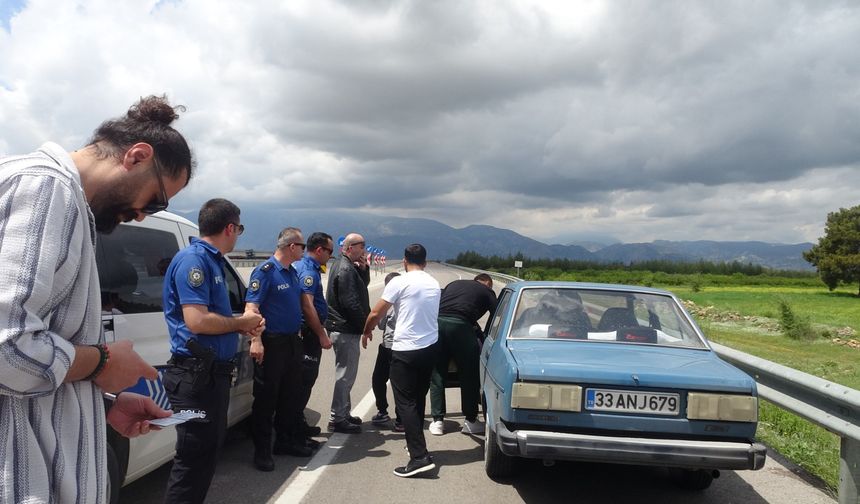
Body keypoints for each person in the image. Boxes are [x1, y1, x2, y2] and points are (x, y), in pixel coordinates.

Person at [0, 95, 190, 503]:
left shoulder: (59, 197)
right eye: (155, 201)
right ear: (137, 156)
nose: (143, 214)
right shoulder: (47, 188)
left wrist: (102, 404)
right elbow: (7, 346)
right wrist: (102, 362)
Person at [162, 198, 264, 503]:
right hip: (195, 378)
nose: (238, 235)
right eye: (239, 229)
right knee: (192, 459)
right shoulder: (195, 261)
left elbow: (212, 318)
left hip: (209, 376)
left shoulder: (212, 260)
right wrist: (241, 322)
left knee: (204, 457)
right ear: (230, 227)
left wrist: (242, 324)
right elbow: (197, 320)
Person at [362, 244, 441, 478]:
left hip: (406, 349)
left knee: (404, 402)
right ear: (425, 262)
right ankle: (416, 445)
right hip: (429, 349)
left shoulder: (400, 281)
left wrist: (366, 331)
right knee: (417, 398)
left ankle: (419, 457)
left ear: (405, 261)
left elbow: (376, 313)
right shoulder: (433, 283)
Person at [245, 227, 313, 472]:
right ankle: (262, 451)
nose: (304, 250)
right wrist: (256, 340)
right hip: (272, 343)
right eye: (302, 246)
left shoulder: (292, 273)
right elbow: (251, 309)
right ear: (292, 247)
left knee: (290, 395)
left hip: (292, 343)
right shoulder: (265, 272)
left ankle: (285, 441)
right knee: (266, 398)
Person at [428, 273, 497, 436]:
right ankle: (471, 420)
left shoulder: (453, 284)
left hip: (437, 324)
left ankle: (437, 421)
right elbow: (496, 317)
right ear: (488, 283)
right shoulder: (487, 291)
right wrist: (485, 335)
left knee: (437, 373)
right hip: (461, 326)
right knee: (469, 373)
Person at [325, 233, 370, 433]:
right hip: (345, 328)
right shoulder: (345, 268)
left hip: (342, 327)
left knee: (347, 373)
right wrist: (365, 326)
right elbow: (350, 302)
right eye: (362, 246)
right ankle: (337, 418)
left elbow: (361, 287)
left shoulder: (348, 266)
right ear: (350, 247)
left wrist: (364, 268)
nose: (365, 250)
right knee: (345, 375)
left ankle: (344, 412)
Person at [294, 232, 335, 437]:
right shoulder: (308, 270)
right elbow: (307, 305)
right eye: (330, 251)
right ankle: (296, 426)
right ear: (319, 250)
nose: (330, 256)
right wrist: (321, 334)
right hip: (307, 334)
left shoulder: (303, 266)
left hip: (301, 333)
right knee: (305, 379)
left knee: (300, 381)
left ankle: (296, 422)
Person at [370, 272, 404, 432]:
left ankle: (400, 418)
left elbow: (380, 324)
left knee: (396, 384)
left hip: (395, 347)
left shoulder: (394, 304)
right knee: (379, 380)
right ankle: (384, 411)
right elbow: (382, 326)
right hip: (387, 346)